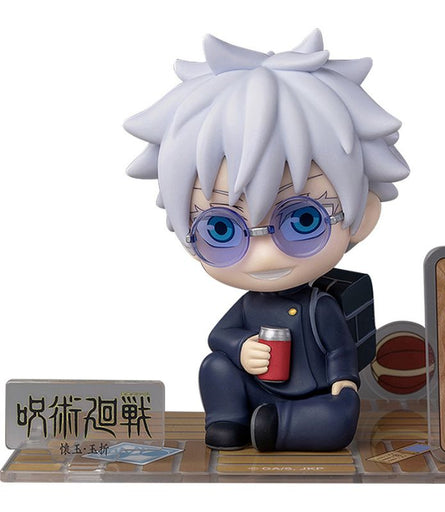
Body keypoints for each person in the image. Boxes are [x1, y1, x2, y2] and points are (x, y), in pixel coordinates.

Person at [125, 30, 409, 451]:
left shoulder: (320, 306)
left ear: (362, 216)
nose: (263, 254)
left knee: (341, 414)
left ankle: (280, 426)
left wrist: (344, 381)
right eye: (221, 229)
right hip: (254, 387)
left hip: (312, 394)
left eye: (303, 221)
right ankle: (228, 421)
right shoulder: (249, 306)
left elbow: (339, 349)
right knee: (215, 366)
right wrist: (241, 347)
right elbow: (219, 336)